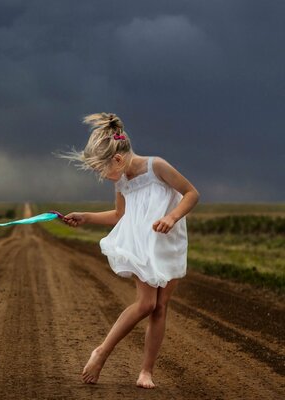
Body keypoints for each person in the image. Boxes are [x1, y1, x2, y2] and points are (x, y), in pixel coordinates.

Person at [54, 112, 200, 388]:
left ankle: (146, 371)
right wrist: (86, 216)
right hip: (142, 242)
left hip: (169, 240)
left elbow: (192, 193)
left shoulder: (158, 167)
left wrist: (171, 217)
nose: (104, 177)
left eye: (103, 171)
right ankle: (101, 352)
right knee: (147, 303)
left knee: (160, 307)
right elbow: (120, 215)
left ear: (118, 159)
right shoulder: (122, 180)